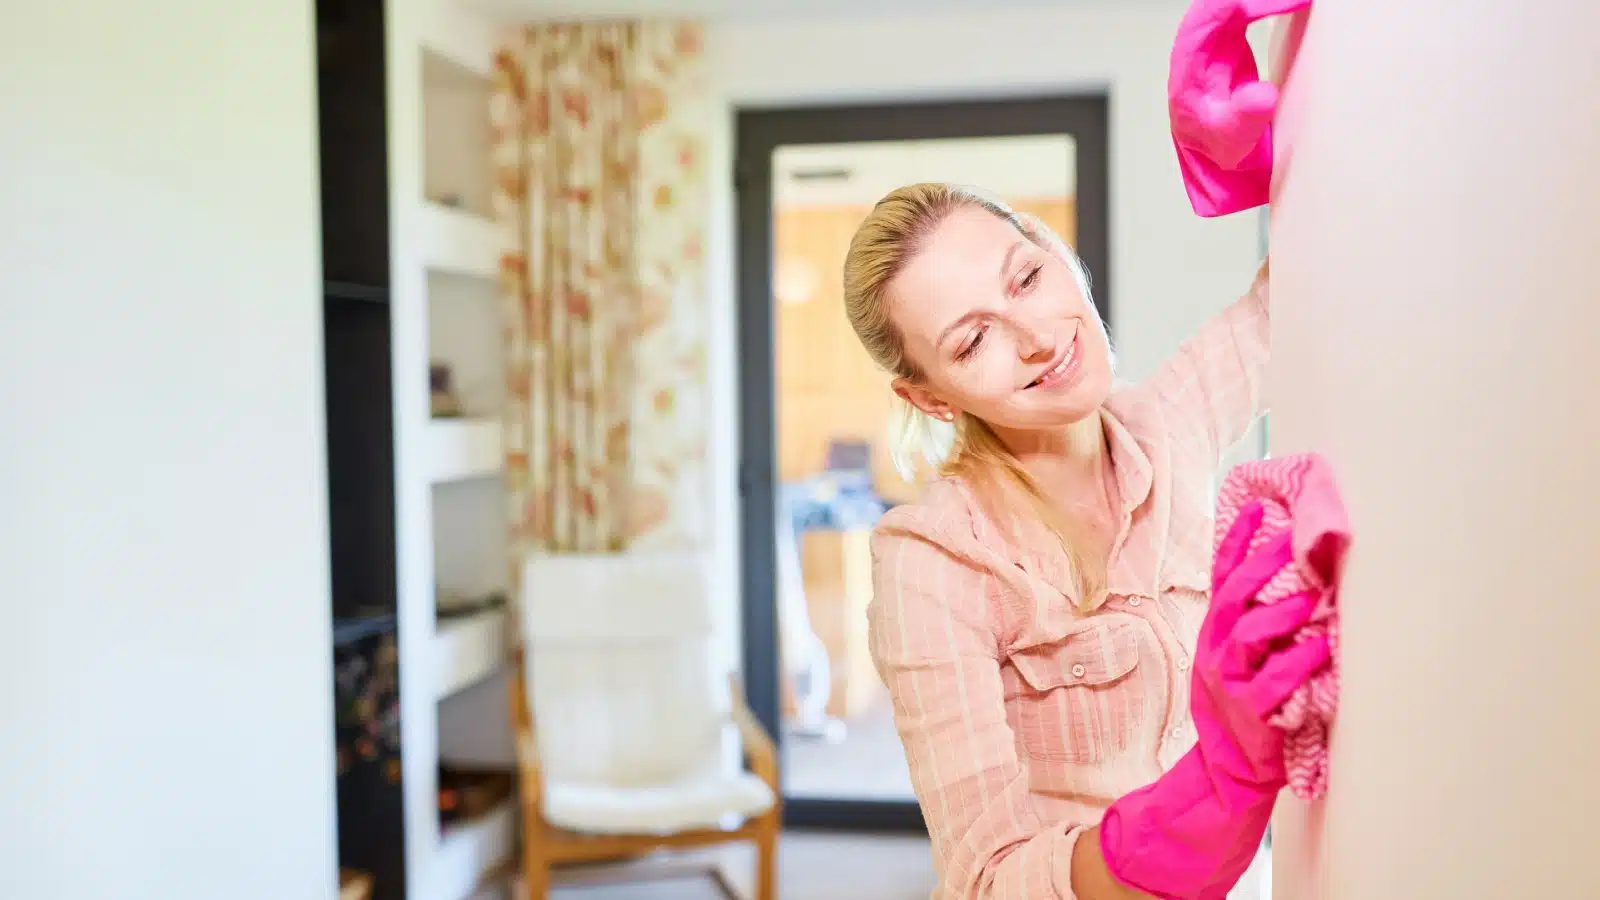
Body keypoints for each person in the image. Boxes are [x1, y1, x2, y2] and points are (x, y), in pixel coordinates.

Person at [844, 183, 1330, 900]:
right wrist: (1208, 792)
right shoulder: (934, 563)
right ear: (932, 397)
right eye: (974, 340)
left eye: (1028, 277)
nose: (1039, 337)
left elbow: (1289, 303)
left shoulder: (1167, 427)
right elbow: (990, 877)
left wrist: (1280, 159)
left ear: (1052, 249)